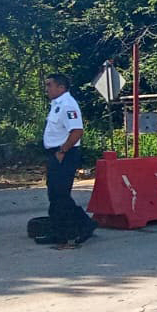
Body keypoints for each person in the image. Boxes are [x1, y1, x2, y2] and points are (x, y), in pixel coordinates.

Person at [38, 74, 97, 247]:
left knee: (60, 195)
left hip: (65, 154)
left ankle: (82, 225)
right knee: (55, 195)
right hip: (55, 154)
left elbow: (77, 131)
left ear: (61, 87)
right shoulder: (57, 104)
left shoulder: (68, 104)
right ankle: (58, 232)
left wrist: (62, 151)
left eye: (50, 85)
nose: (47, 89)